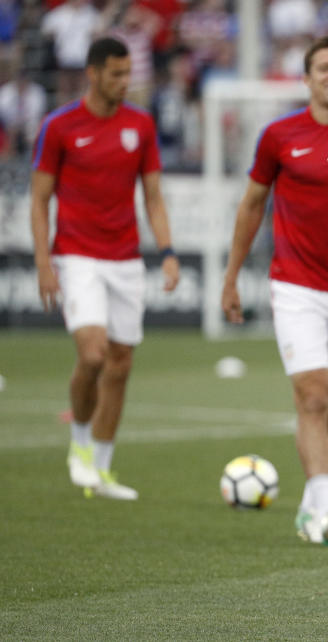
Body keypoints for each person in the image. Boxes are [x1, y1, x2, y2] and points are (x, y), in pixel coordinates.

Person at [220, 35, 328, 545]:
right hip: (294, 284)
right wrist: (231, 276)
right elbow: (253, 205)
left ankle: (311, 503)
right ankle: (325, 504)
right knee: (314, 395)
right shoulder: (279, 135)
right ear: (307, 77)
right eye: (324, 66)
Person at [30, 36, 180, 500]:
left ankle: (103, 467)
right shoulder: (59, 126)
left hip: (126, 259)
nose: (123, 82)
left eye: (127, 73)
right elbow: (38, 198)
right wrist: (43, 262)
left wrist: (167, 251)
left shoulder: (140, 125)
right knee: (92, 354)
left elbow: (153, 195)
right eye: (115, 74)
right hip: (76, 255)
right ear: (93, 74)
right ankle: (79, 447)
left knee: (120, 363)